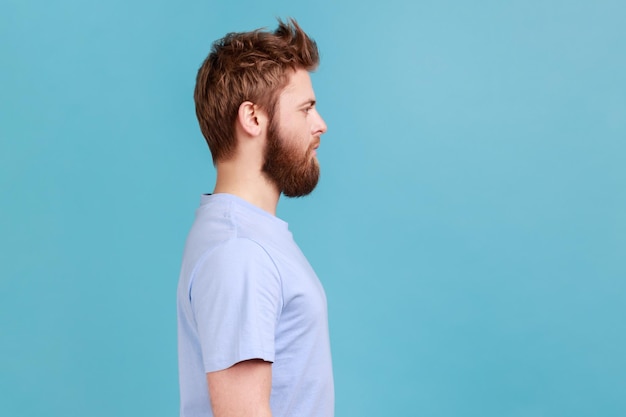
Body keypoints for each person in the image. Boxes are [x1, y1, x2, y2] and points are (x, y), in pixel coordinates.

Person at [176, 18, 334, 417]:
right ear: (253, 118)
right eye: (306, 108)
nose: (320, 125)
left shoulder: (246, 237)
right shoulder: (240, 252)